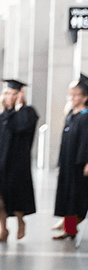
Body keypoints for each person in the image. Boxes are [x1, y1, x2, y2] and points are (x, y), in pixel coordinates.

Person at [0, 80, 39, 241]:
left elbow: (21, 126)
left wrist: (19, 107)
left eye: (14, 94)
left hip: (17, 163)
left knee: (17, 195)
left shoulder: (27, 112)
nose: (10, 96)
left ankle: (20, 222)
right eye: (8, 93)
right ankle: (3, 229)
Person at [55, 77, 88, 240]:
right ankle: (69, 229)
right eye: (71, 95)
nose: (72, 98)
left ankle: (72, 227)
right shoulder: (71, 115)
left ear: (85, 97)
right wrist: (60, 162)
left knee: (77, 196)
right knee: (67, 195)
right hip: (67, 161)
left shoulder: (85, 116)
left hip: (79, 163)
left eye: (76, 95)